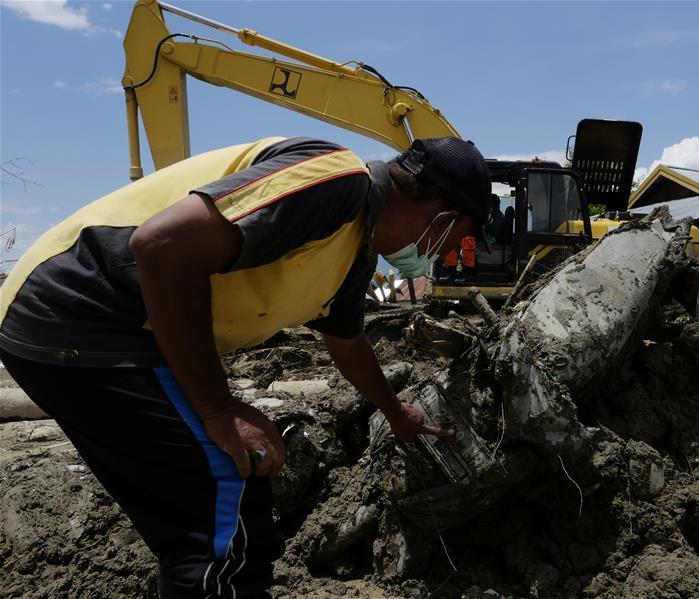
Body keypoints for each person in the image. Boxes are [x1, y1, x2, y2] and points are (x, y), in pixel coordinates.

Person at [0, 136, 491, 598]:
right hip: (80, 312)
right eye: (453, 241)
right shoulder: (337, 181)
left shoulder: (355, 250)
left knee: (202, 513)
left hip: (99, 328)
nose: (442, 256)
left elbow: (347, 342)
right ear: (444, 219)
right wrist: (217, 407)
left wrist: (393, 410)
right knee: (226, 498)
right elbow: (162, 245)